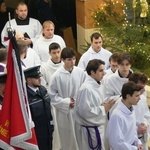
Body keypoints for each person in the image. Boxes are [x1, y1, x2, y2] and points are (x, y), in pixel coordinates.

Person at [74, 59, 115, 150]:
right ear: (92, 72)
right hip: (90, 131)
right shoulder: (86, 89)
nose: (104, 73)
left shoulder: (97, 85)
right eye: (100, 71)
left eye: (104, 70)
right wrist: (103, 108)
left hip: (97, 128)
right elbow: (85, 112)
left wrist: (103, 105)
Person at [49, 47, 86, 150]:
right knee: (68, 138)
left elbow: (85, 89)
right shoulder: (56, 76)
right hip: (65, 111)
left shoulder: (81, 72)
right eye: (69, 59)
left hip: (78, 109)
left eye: (74, 59)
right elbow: (52, 95)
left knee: (80, 136)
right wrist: (66, 102)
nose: (72, 62)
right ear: (63, 60)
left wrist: (79, 100)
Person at [106, 81, 143, 150]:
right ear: (128, 96)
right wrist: (134, 148)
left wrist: (137, 142)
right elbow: (116, 143)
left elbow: (132, 132)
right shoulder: (117, 115)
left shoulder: (131, 110)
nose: (139, 98)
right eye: (137, 96)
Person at [24, 65, 54, 150]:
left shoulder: (43, 90)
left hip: (48, 130)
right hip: (36, 134)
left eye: (39, 77)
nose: (40, 79)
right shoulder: (25, 96)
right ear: (29, 80)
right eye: (36, 78)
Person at [40, 42, 63, 150]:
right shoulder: (44, 68)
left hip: (65, 100)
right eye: (54, 53)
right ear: (49, 53)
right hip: (53, 103)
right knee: (57, 130)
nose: (57, 55)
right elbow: (43, 87)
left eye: (58, 52)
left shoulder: (65, 65)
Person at [129, 72, 150, 150]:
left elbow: (146, 116)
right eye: (141, 87)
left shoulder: (143, 98)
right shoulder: (123, 102)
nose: (144, 90)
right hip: (129, 141)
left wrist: (144, 124)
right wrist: (136, 129)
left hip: (142, 140)